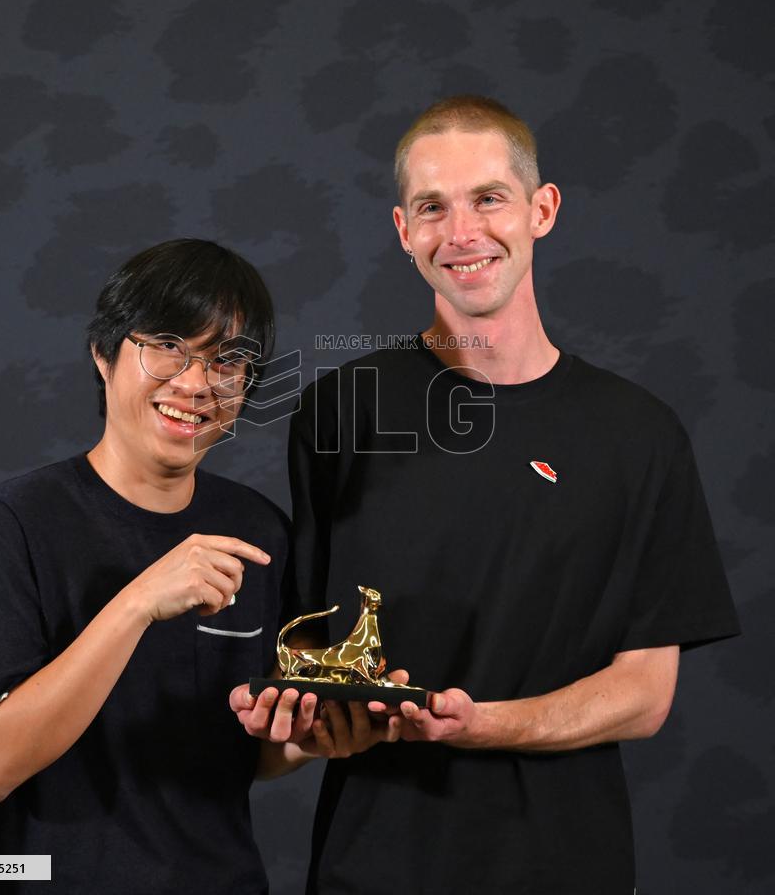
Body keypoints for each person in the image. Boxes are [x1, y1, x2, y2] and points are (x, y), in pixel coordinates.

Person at [234, 97, 741, 894]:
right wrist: (302, 729)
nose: (462, 233)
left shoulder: (638, 434)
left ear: (542, 210)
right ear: (405, 232)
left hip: (567, 868)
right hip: (370, 868)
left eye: (489, 199)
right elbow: (307, 672)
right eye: (433, 207)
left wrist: (478, 726)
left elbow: (644, 694)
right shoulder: (340, 413)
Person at [0, 239, 331, 893]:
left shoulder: (259, 530)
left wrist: (309, 737)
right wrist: (138, 602)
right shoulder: (21, 517)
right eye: (168, 346)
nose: (196, 383)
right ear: (104, 352)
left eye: (226, 361)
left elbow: (252, 752)